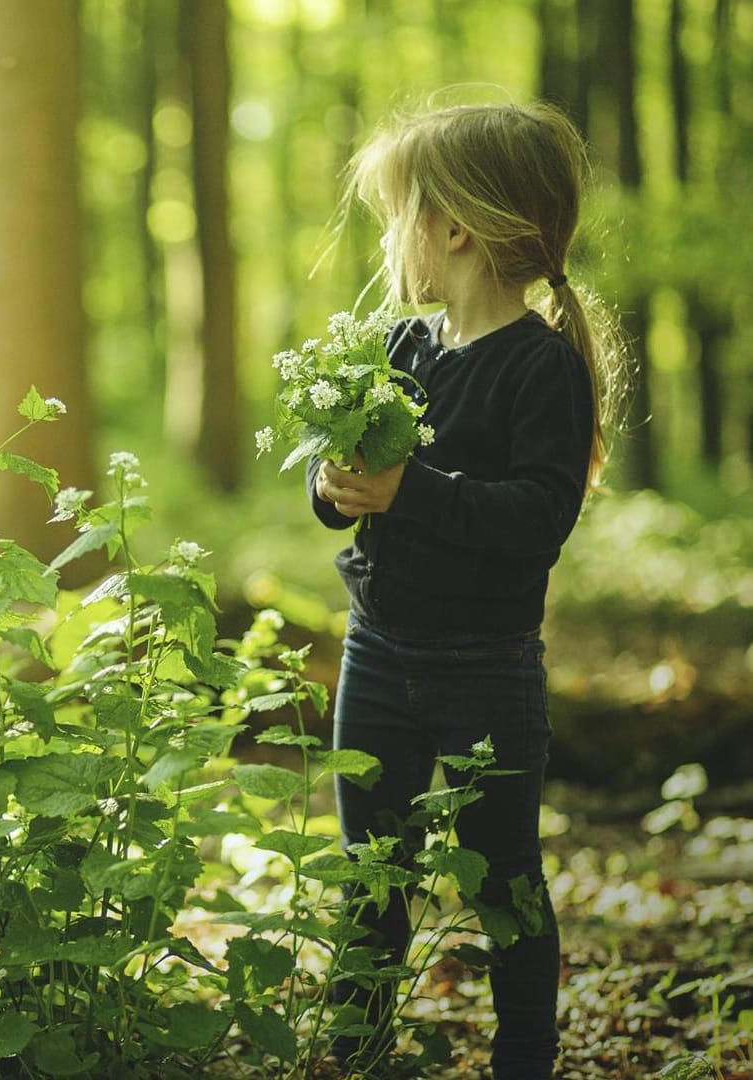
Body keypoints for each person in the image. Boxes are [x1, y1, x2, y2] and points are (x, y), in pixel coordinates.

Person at [308, 99, 620, 1079]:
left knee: (506, 885)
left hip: (487, 673)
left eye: (400, 212)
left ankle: (525, 1058)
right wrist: (330, 486)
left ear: (453, 230)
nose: (390, 236)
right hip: (376, 657)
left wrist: (413, 491)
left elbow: (535, 519)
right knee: (370, 879)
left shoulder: (542, 370)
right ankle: (358, 1051)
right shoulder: (400, 351)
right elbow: (347, 482)